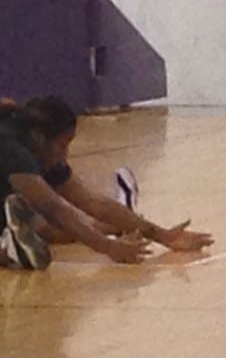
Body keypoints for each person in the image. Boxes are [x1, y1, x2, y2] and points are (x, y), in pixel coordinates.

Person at [0, 96, 214, 269]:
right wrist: (111, 248)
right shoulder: (12, 149)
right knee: (48, 226)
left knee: (49, 229)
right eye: (63, 145)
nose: (66, 155)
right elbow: (56, 210)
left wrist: (163, 236)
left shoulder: (37, 147)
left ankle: (11, 244)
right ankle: (10, 247)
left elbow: (92, 202)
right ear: (39, 136)